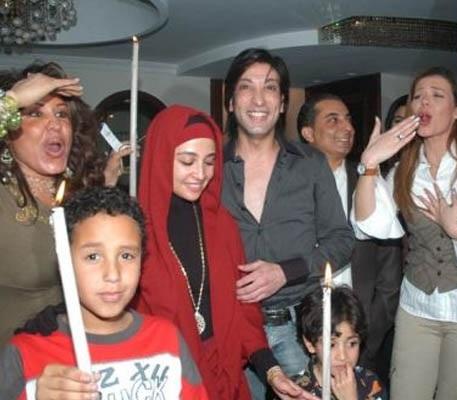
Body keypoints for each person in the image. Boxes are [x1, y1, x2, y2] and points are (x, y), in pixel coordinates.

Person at [134, 105, 314, 400]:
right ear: (161, 156)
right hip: (164, 383)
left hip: (225, 378)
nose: (200, 174)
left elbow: (243, 311)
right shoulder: (134, 232)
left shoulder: (221, 225)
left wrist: (272, 371)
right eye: (187, 161)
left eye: (209, 162)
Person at [352, 66, 457, 399]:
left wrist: (456, 230)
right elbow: (368, 224)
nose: (424, 102)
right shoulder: (404, 169)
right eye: (418, 96)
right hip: (416, 306)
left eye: (437, 95)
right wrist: (370, 162)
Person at [221, 48, 355, 398]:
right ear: (231, 102)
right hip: (233, 325)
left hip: (300, 325)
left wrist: (286, 271)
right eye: (246, 87)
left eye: (269, 88)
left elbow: (342, 240)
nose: (258, 99)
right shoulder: (209, 167)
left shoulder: (311, 163)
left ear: (282, 103)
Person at [0, 186, 209, 399]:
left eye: (126, 256)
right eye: (93, 257)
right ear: (64, 261)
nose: (113, 274)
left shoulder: (166, 340)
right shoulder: (26, 353)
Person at [0, 62, 125, 347]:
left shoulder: (78, 192)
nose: (55, 124)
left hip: (73, 360)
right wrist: (13, 99)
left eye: (61, 114)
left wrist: (104, 194)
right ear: (8, 131)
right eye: (35, 112)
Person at [298, 93, 402, 387]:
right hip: (304, 334)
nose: (347, 128)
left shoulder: (368, 180)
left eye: (348, 119)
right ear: (308, 133)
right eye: (333, 120)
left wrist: (370, 331)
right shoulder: (291, 186)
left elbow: (389, 261)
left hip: (362, 331)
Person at [294, 286, 387, 400]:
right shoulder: (295, 392)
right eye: (331, 345)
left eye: (352, 344)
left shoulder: (370, 383)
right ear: (310, 344)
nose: (343, 356)